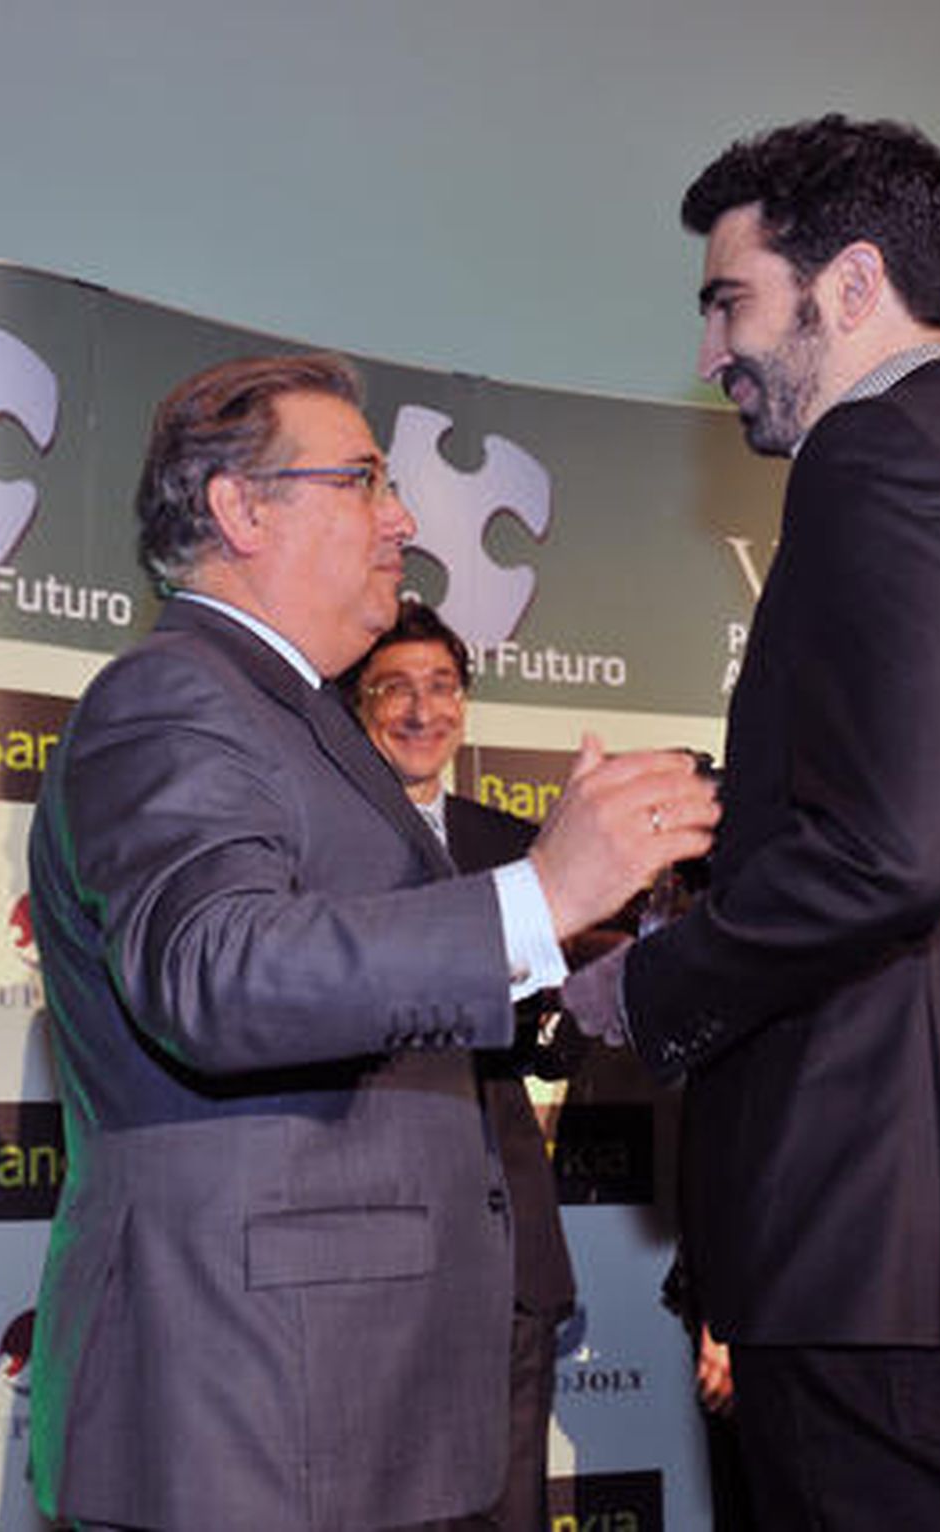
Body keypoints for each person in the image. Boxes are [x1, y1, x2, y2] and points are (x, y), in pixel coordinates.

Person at [565, 116, 940, 1529]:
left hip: (881, 1260)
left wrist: (649, 977)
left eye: (730, 302)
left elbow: (893, 856)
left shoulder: (873, 458)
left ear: (848, 286)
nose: (713, 352)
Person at [26, 353, 718, 1532]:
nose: (402, 518)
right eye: (361, 480)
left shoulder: (296, 715)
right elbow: (216, 972)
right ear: (241, 508)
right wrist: (532, 894)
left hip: (342, 1393)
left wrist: (593, 942)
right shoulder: (174, 695)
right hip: (251, 1400)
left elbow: (360, 958)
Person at [343, 599, 575, 1532]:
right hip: (374, 1227)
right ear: (355, 705)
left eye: (439, 687)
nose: (418, 710)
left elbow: (553, 1025)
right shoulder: (326, 850)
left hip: (509, 1220)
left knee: (510, 1502)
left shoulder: (514, 850)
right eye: (392, 688)